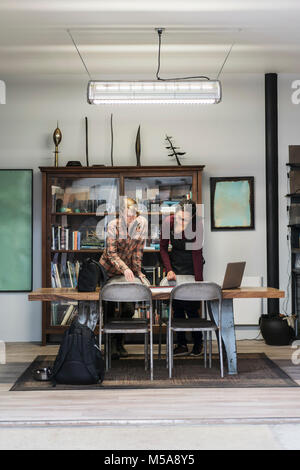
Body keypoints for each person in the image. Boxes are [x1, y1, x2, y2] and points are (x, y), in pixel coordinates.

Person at [99, 197, 148, 359]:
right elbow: (111, 254)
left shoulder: (140, 226)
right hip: (109, 271)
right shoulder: (113, 226)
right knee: (110, 309)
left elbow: (138, 253)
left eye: (133, 215)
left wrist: (138, 272)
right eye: (128, 215)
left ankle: (119, 342)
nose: (131, 218)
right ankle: (110, 345)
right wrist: (126, 268)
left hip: (127, 273)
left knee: (128, 308)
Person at [160, 198, 204, 356]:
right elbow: (163, 249)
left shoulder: (197, 225)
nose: (181, 221)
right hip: (176, 265)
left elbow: (197, 253)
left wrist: (198, 281)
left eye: (185, 219)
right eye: (179, 217)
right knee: (177, 306)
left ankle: (198, 343)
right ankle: (182, 344)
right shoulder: (168, 222)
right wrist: (169, 270)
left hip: (192, 265)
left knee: (192, 307)